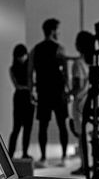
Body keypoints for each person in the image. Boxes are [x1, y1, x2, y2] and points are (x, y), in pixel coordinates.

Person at [28, 18, 69, 167]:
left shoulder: (35, 50)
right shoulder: (60, 49)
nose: (59, 32)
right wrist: (67, 91)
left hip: (43, 92)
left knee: (43, 126)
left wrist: (31, 90)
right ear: (52, 31)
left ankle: (44, 158)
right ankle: (64, 157)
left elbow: (29, 72)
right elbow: (66, 73)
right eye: (58, 29)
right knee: (61, 124)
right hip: (57, 92)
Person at [70, 31, 95, 175]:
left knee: (82, 136)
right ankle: (89, 164)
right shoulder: (91, 62)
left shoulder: (78, 63)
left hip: (80, 103)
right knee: (90, 135)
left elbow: (77, 85)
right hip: (89, 101)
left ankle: (84, 165)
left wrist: (66, 94)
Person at [8, 44, 35, 159]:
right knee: (17, 128)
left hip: (25, 97)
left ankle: (22, 153)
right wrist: (28, 88)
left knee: (26, 128)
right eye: (20, 56)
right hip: (22, 97)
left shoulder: (28, 67)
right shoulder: (14, 68)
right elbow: (18, 86)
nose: (22, 58)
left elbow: (19, 85)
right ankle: (11, 154)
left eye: (23, 55)